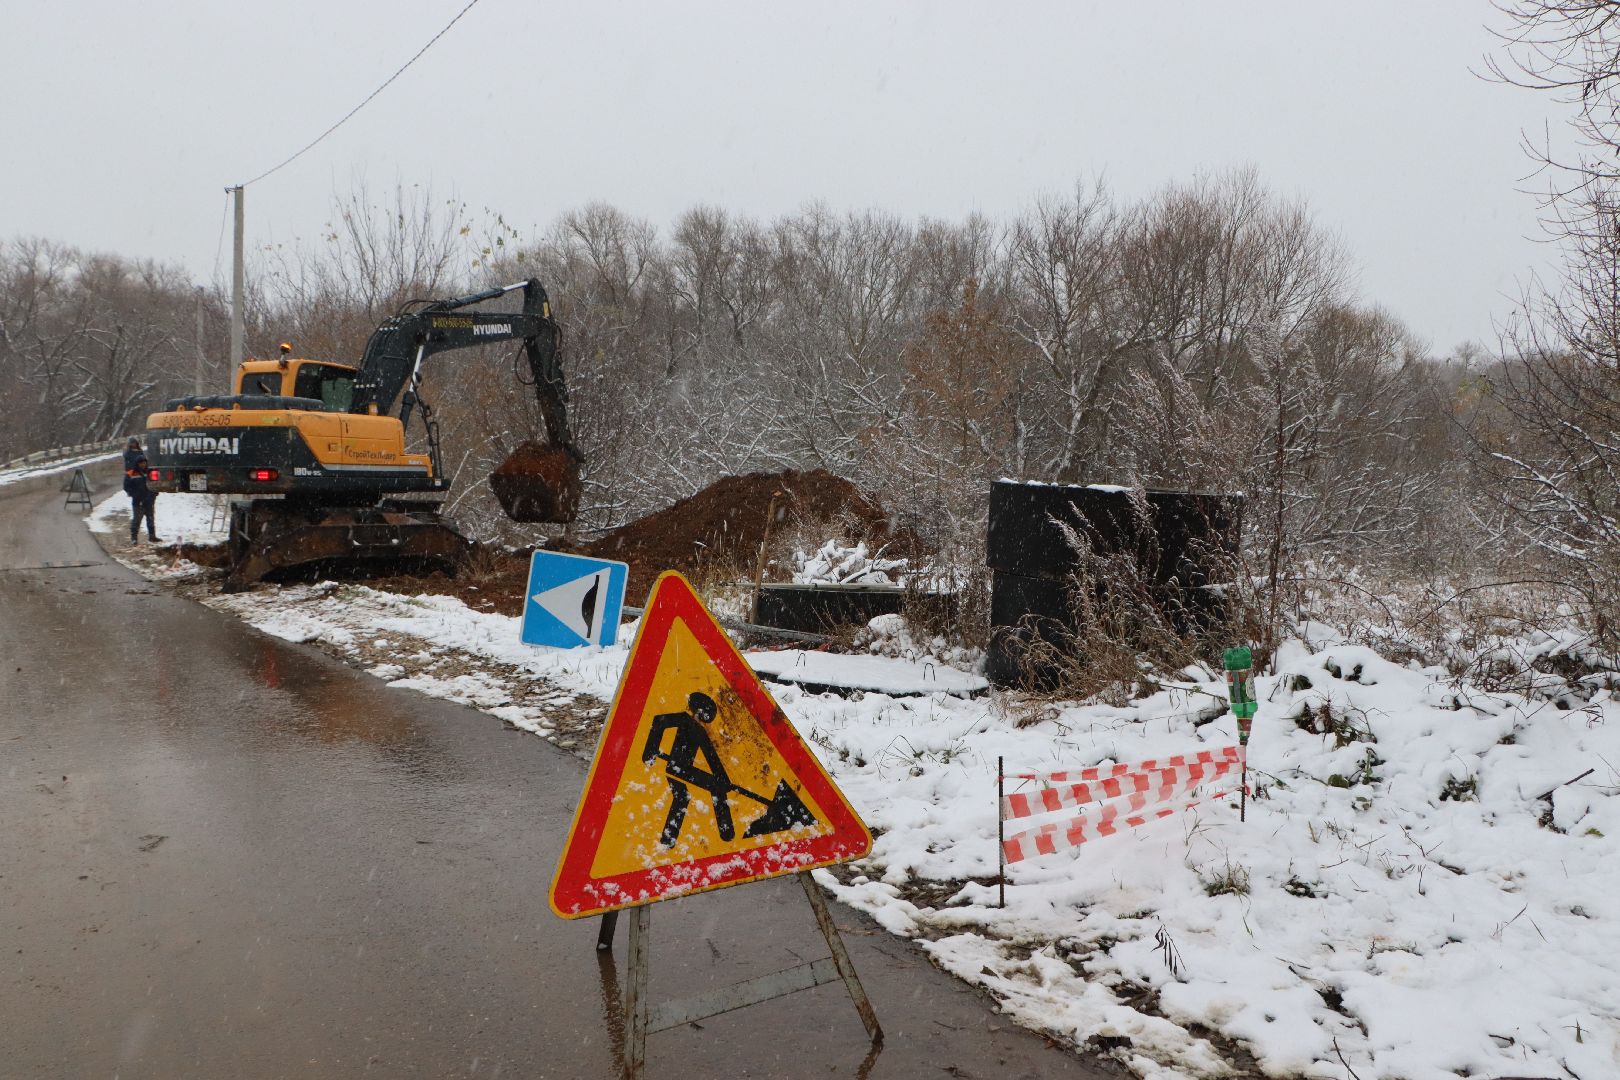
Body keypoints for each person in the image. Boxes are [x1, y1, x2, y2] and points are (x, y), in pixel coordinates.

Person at [641, 691, 734, 847]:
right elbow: (659, 720)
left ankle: (667, 841)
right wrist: (650, 750)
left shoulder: (700, 730)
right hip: (678, 767)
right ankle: (726, 832)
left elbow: (712, 759)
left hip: (681, 768)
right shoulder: (684, 719)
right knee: (709, 790)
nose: (702, 715)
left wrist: (724, 779)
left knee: (685, 796)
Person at [122, 437, 159, 543]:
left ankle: (152, 536)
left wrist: (154, 494)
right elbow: (126, 486)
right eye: (141, 463)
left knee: (150, 518)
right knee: (137, 520)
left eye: (144, 462)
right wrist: (134, 494)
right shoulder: (131, 473)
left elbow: (155, 484)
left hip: (149, 500)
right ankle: (134, 538)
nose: (143, 464)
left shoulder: (150, 473)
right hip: (137, 501)